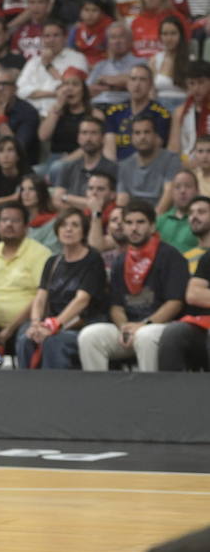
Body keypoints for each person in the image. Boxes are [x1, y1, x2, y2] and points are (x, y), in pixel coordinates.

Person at [77, 199, 188, 371]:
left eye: (140, 222)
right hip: (129, 327)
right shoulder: (120, 261)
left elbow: (175, 303)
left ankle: (150, 394)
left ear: (152, 226)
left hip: (162, 327)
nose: (134, 228)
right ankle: (97, 394)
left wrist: (144, 325)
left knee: (145, 336)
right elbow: (116, 306)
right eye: (128, 223)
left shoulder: (171, 256)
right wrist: (124, 328)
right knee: (90, 336)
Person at [15, 207, 109, 369]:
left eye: (75, 225)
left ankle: (54, 390)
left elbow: (82, 300)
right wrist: (36, 323)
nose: (68, 229)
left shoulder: (93, 259)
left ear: (84, 231)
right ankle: (27, 388)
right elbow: (40, 297)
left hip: (82, 324)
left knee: (53, 341)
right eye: (64, 225)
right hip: (50, 322)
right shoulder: (53, 261)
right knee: (26, 338)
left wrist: (54, 325)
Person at [0, 205, 53, 354]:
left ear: (26, 227)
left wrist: (10, 329)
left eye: (15, 220)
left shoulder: (40, 253)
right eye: (4, 220)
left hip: (26, 322)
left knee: (27, 339)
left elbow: (41, 296)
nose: (8, 224)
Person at [156, 204, 210, 370]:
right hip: (204, 323)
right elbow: (193, 294)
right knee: (174, 333)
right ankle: (172, 394)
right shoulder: (208, 257)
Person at [16, 23, 89, 116]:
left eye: (56, 35)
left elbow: (72, 89)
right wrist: (53, 94)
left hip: (62, 113)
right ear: (42, 39)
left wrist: (48, 65)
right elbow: (20, 90)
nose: (51, 40)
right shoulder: (34, 62)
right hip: (31, 114)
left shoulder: (77, 58)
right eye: (47, 36)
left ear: (65, 38)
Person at [102, 64, 170, 161]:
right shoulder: (114, 112)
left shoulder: (161, 114)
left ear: (150, 84)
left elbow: (153, 151)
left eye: (142, 80)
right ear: (127, 83)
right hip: (117, 169)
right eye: (133, 79)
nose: (137, 84)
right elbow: (109, 150)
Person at [51, 115, 120, 210]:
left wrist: (66, 198)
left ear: (103, 138)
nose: (88, 138)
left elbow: (108, 204)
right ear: (78, 138)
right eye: (84, 133)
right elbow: (56, 200)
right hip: (71, 220)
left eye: (94, 133)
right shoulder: (68, 167)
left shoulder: (114, 168)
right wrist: (88, 205)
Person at [116, 115, 182, 206]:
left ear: (155, 135)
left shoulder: (171, 159)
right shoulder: (124, 165)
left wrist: (155, 218)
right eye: (137, 133)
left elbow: (169, 193)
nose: (142, 137)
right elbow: (122, 199)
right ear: (131, 137)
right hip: (133, 215)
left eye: (147, 132)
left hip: (161, 216)